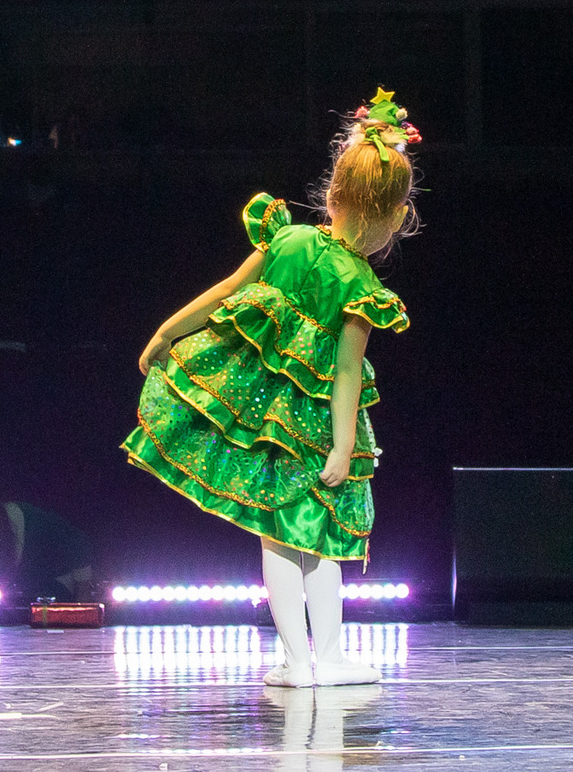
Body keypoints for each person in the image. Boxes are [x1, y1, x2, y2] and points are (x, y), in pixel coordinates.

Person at [124, 90, 418, 689]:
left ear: (332, 195)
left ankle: (300, 661)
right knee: (320, 540)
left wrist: (167, 330)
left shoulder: (286, 240)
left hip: (262, 412)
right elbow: (343, 376)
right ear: (394, 217)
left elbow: (224, 294)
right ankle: (322, 658)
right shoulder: (359, 285)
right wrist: (341, 448)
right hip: (311, 426)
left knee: (276, 535)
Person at [0, 467, 96, 600]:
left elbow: (76, 540)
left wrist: (83, 592)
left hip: (54, 593)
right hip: (7, 604)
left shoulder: (27, 517)